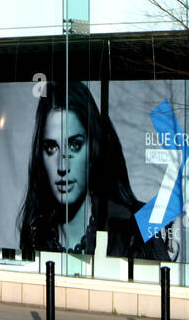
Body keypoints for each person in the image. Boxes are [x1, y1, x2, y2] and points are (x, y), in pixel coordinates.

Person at [18, 80, 171, 260]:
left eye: (75, 145)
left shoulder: (133, 229)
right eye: (51, 148)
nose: (62, 166)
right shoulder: (35, 234)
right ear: (40, 155)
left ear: (93, 149)